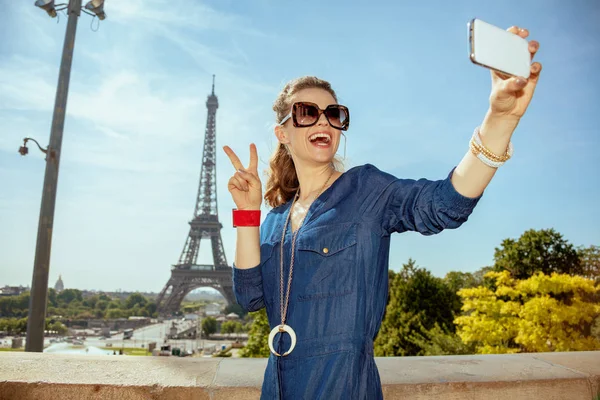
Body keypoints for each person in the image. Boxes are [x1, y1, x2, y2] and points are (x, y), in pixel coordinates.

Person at [223, 26, 541, 400]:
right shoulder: (276, 217)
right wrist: (247, 214)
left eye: (334, 113)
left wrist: (500, 119)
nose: (323, 121)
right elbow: (250, 298)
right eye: (307, 112)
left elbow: (444, 203)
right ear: (283, 132)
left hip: (343, 389)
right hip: (276, 390)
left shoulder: (367, 190)